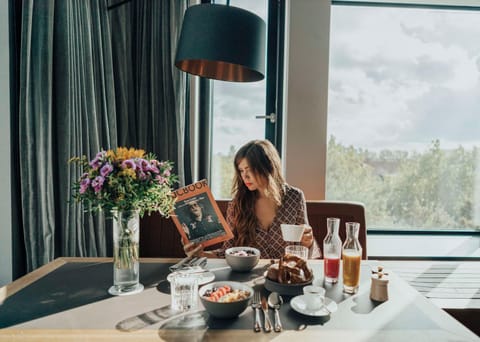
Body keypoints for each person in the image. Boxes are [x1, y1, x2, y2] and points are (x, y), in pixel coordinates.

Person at [184, 139, 321, 259]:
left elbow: (308, 251)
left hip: (285, 276)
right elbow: (227, 252)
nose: (245, 176)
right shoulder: (237, 203)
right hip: (248, 278)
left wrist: (309, 242)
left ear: (267, 167)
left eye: (249, 169)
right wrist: (200, 254)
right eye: (241, 171)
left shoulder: (295, 197)